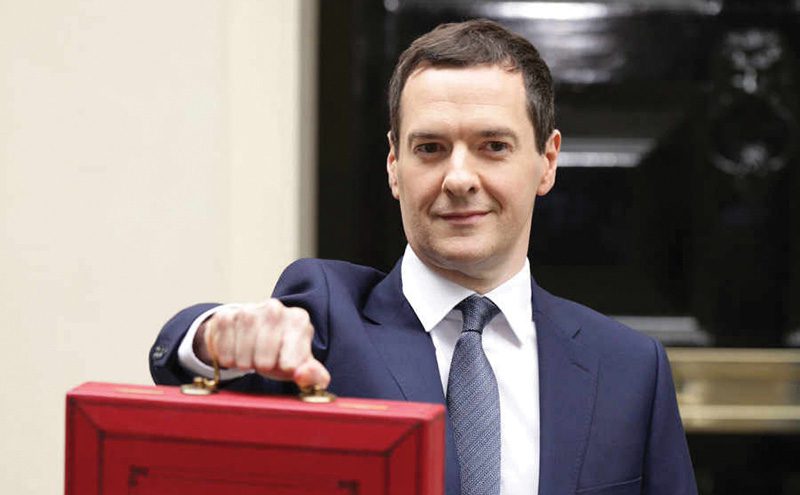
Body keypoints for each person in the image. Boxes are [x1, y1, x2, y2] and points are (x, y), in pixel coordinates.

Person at [150, 19, 697, 495]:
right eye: (430, 148)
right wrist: (215, 337)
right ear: (394, 166)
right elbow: (188, 361)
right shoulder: (327, 319)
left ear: (547, 161)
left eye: (493, 146)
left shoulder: (629, 369)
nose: (458, 178)